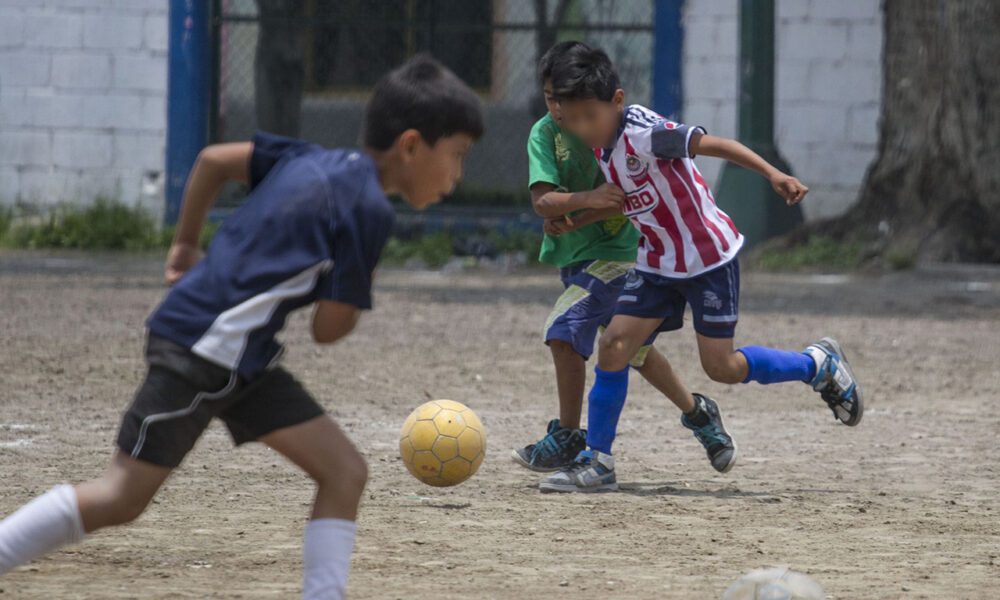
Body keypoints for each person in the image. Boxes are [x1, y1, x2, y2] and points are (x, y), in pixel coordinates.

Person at [0, 55, 483, 599]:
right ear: (412, 145)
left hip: (238, 354)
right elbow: (329, 330)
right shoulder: (369, 210)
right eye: (457, 156)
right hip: (205, 350)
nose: (458, 176)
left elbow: (211, 160)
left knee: (344, 471)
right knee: (120, 497)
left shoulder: (308, 157)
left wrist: (185, 243)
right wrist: (359, 276)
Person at [539, 45, 863, 493]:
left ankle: (817, 365)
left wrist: (773, 175)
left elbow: (717, 145)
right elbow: (632, 199)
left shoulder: (647, 135)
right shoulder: (603, 143)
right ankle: (598, 462)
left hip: (708, 259)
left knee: (722, 367)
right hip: (657, 262)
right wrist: (578, 217)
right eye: (571, 119)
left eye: (587, 117)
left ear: (616, 100)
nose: (580, 128)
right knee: (615, 344)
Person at [513, 41, 738, 480]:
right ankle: (698, 414)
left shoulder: (612, 126)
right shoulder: (546, 134)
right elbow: (545, 202)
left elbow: (631, 194)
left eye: (568, 101)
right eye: (552, 100)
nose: (562, 111)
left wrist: (584, 206)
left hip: (622, 255)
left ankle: (570, 435)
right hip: (576, 256)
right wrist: (578, 209)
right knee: (632, 351)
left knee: (564, 330)